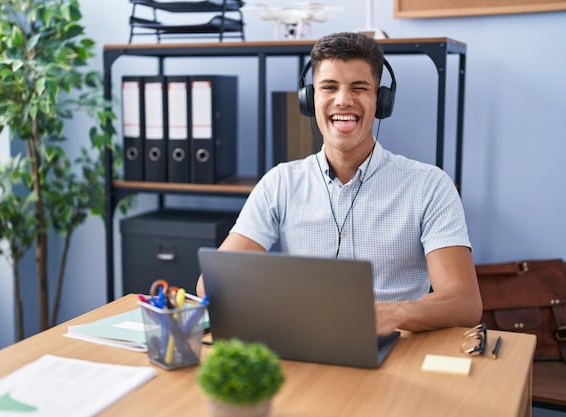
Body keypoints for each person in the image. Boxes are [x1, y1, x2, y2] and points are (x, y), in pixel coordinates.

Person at [196, 31, 482, 336]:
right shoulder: (280, 183)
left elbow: (464, 303)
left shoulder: (429, 186)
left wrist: (393, 314)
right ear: (309, 99)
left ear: (382, 101)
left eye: (359, 88)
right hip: (306, 343)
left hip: (397, 350)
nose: (343, 100)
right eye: (329, 87)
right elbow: (211, 284)